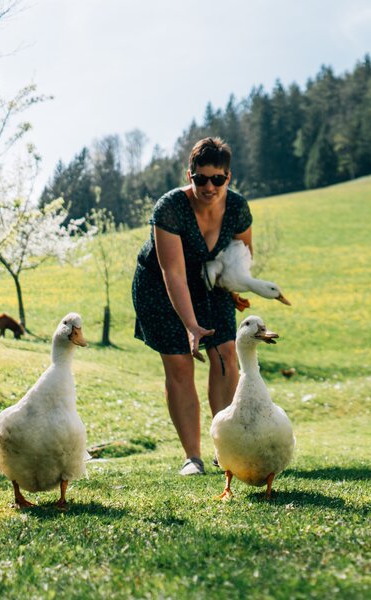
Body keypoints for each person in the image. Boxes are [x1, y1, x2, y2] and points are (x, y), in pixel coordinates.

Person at [132, 137, 253, 475]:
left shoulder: (239, 208)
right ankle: (193, 458)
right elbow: (173, 271)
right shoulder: (170, 207)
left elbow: (241, 258)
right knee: (181, 366)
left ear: (228, 177)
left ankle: (224, 449)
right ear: (190, 175)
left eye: (218, 179)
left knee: (226, 353)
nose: (209, 186)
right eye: (201, 178)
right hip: (160, 287)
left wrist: (234, 288)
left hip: (210, 284)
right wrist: (190, 324)